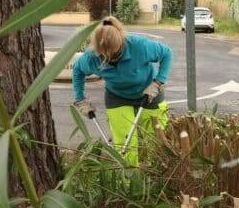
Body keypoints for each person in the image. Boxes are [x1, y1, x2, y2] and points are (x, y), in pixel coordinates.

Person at [72, 16, 173, 167]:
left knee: (157, 138)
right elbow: (78, 70)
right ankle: (129, 180)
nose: (108, 59)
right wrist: (80, 99)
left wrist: (158, 82)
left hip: (149, 92)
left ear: (121, 44)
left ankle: (159, 175)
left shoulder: (139, 46)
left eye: (113, 55)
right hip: (117, 97)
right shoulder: (91, 57)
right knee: (125, 143)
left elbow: (166, 53)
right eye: (103, 56)